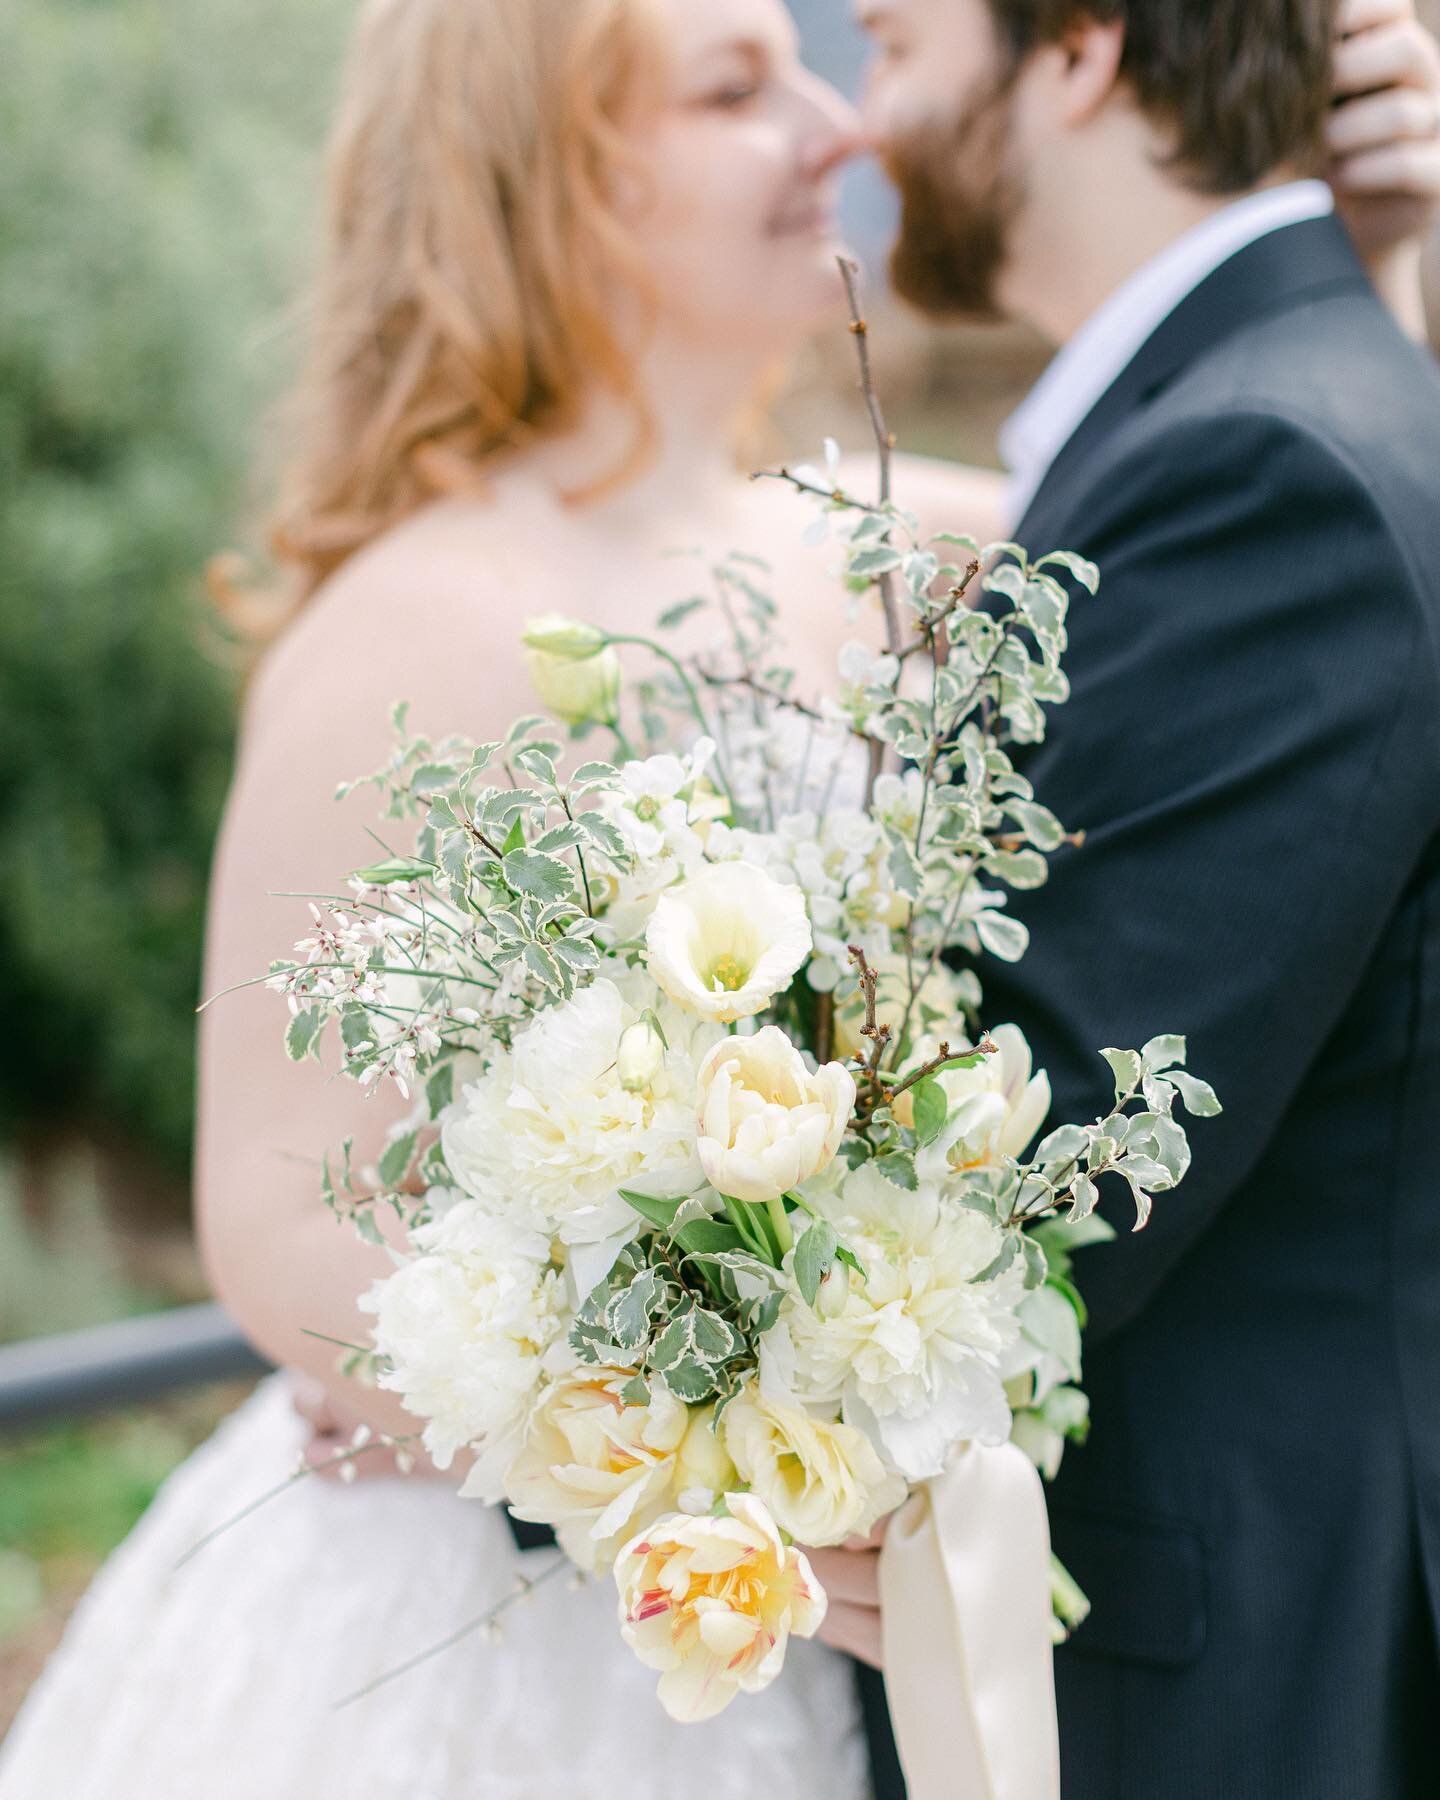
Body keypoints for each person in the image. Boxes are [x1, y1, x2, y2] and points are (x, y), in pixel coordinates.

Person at [0, 0, 1434, 1794]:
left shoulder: (910, 544)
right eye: (736, 89)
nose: (838, 130)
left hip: (817, 1624)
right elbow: (276, 1222)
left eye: (816, 64)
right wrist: (691, 1469)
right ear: (554, 178)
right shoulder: (415, 615)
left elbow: (1287, 512)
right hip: (540, 1612)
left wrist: (1360, 255)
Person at [833, 0, 1440, 1794]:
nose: (866, 120)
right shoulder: (1267, 409)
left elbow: (1041, 1163)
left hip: (1225, 1678)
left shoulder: (1269, 470)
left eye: (893, 43)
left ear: (1082, 47)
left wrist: (576, 1406)